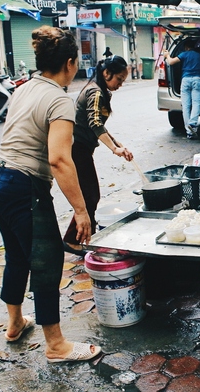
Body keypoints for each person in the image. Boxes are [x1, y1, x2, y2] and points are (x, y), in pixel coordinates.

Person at [0, 26, 101, 363]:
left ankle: (15, 323)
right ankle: (56, 345)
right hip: (24, 188)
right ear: (68, 63)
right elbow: (59, 160)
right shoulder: (59, 100)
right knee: (47, 262)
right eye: (76, 61)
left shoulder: (25, 88)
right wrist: (81, 210)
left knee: (18, 256)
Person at [63, 56, 133, 254]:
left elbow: (99, 125)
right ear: (106, 73)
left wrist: (118, 144)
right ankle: (73, 240)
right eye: (118, 79)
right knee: (90, 195)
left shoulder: (99, 90)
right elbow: (95, 123)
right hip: (78, 148)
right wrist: (113, 148)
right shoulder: (95, 92)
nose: (119, 84)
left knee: (89, 194)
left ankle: (80, 238)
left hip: (82, 148)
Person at [163, 39, 200, 139]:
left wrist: (167, 55)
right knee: (196, 103)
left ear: (186, 47)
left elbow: (171, 62)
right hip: (197, 80)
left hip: (185, 80)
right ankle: (192, 123)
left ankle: (189, 131)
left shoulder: (184, 54)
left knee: (186, 106)